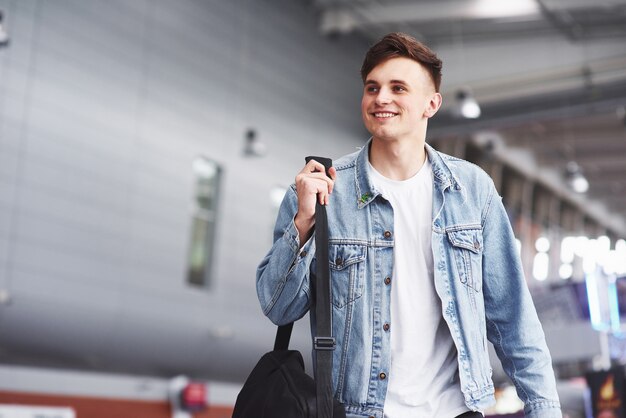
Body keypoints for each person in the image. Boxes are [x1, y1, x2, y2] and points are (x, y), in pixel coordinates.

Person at [256, 32, 561, 418]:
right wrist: (303, 224)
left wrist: (545, 409)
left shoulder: (472, 191)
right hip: (357, 412)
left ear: (431, 104)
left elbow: (514, 320)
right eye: (372, 87)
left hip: (455, 410)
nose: (381, 98)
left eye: (398, 88)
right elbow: (278, 308)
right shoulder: (322, 190)